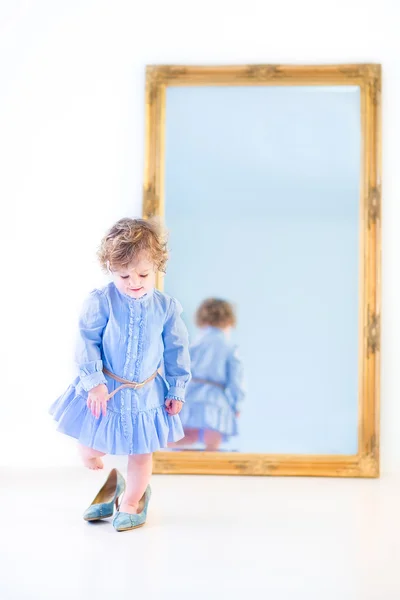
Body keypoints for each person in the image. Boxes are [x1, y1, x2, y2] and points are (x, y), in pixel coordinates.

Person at [50, 218, 190, 531]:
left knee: (141, 453)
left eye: (143, 273)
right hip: (106, 388)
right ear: (110, 269)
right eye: (123, 275)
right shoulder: (101, 301)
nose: (133, 281)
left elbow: (177, 351)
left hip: (146, 391)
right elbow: (86, 342)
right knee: (90, 447)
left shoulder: (166, 308)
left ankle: (133, 499)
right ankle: (112, 481)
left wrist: (176, 390)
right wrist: (94, 383)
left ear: (156, 267)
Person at [172, 298, 244, 451]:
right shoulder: (229, 347)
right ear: (228, 321)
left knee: (186, 437)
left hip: (190, 394)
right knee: (212, 443)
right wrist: (236, 404)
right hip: (215, 399)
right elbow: (235, 380)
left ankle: (159, 455)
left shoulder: (193, 344)